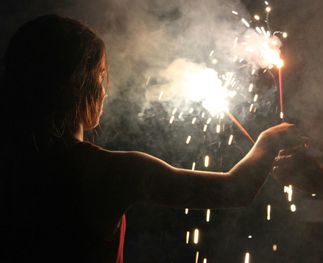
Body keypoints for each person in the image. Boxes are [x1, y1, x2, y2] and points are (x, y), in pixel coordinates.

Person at [1, 15, 300, 263]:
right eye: (100, 76)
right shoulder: (112, 172)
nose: (105, 90)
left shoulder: (16, 163)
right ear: (77, 85)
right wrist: (269, 141)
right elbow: (235, 190)